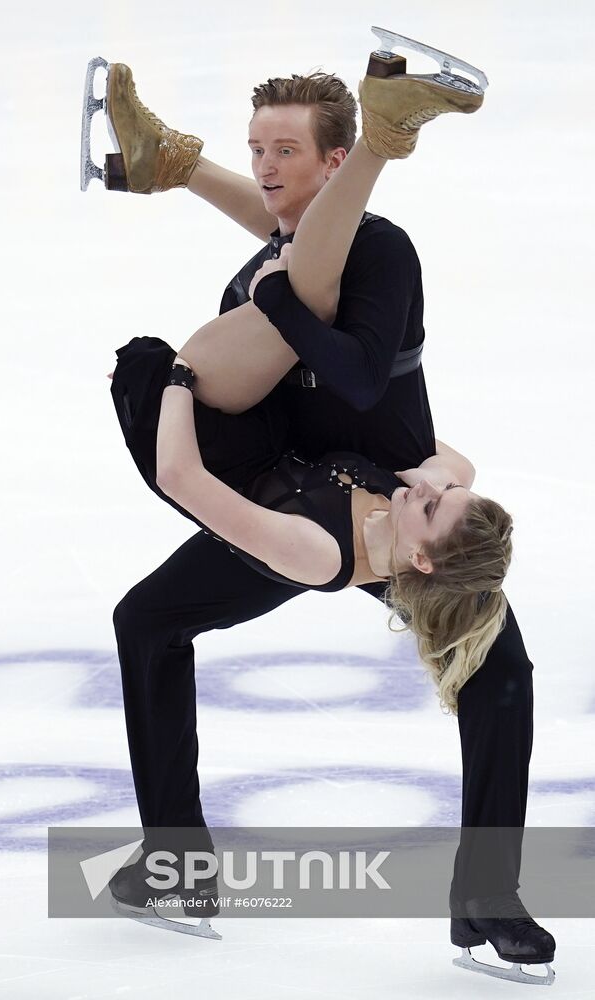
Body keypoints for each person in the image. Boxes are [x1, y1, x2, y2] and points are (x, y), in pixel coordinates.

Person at [94, 33, 555, 980]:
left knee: (499, 672)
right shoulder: (297, 247)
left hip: (394, 501)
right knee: (147, 622)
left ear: (334, 160)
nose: (265, 169)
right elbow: (293, 234)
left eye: (285, 151)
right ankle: (177, 865)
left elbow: (345, 366)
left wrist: (433, 479)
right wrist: (184, 175)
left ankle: (489, 895)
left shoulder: (382, 252)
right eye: (253, 150)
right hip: (297, 494)